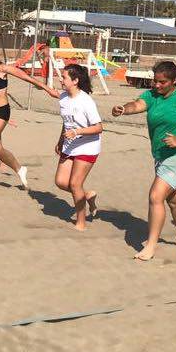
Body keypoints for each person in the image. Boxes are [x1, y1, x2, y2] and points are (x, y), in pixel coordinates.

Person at [112, 61, 176, 259]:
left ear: (174, 81)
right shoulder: (152, 95)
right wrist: (123, 108)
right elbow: (137, 104)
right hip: (162, 156)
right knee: (175, 201)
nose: (157, 85)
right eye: (155, 81)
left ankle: (150, 246)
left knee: (156, 196)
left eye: (162, 82)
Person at [0, 43, 59, 199]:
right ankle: (19, 169)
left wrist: (47, 89)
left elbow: (26, 77)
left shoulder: (2, 69)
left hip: (1, 112)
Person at [55, 64, 103, 231]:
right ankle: (87, 195)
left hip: (88, 146)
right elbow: (67, 121)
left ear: (75, 81)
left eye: (64, 77)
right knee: (60, 182)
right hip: (70, 145)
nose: (61, 79)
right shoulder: (63, 98)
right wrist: (60, 140)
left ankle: (81, 221)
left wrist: (77, 132)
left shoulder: (86, 101)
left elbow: (98, 127)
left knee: (75, 184)